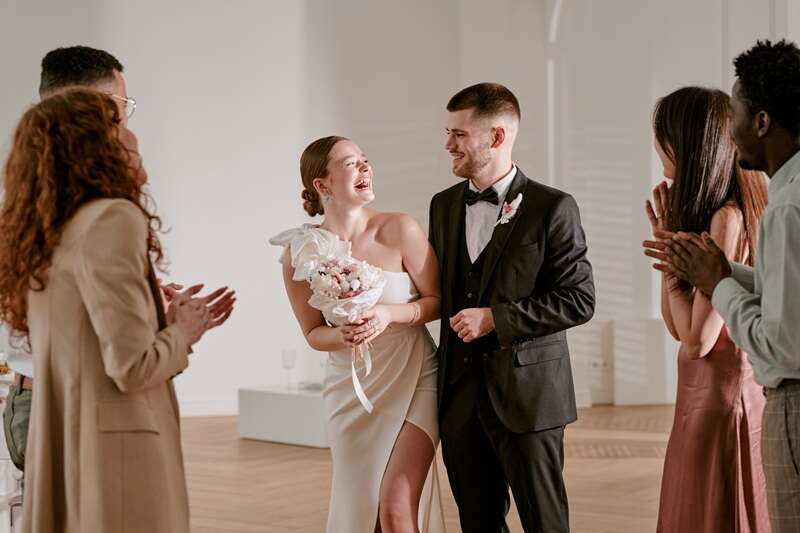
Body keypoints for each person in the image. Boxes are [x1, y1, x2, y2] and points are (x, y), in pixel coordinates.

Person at [0, 88, 233, 532]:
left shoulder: (49, 231)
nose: (130, 133)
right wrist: (185, 329)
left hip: (69, 439)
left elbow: (84, 343)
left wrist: (157, 317)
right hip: (116, 452)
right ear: (95, 146)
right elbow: (131, 367)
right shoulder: (113, 219)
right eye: (117, 126)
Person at [644, 40, 800, 533]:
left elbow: (703, 340)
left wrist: (699, 273)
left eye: (735, 114)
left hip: (735, 399)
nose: (729, 133)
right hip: (708, 397)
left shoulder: (751, 213)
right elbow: (681, 329)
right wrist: (680, 262)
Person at [429, 82, 594, 533]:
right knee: (478, 523)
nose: (448, 144)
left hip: (530, 397)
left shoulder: (553, 207)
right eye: (448, 132)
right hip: (459, 398)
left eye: (459, 134)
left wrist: (496, 319)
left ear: (496, 137)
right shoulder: (442, 205)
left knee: (545, 523)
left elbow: (579, 299)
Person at [270, 136, 445, 532]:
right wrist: (344, 336)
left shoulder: (400, 228)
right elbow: (314, 333)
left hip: (415, 375)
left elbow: (438, 299)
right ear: (322, 184)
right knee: (365, 508)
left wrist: (389, 315)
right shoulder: (300, 253)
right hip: (350, 389)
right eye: (352, 163)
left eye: (366, 160)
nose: (366, 168)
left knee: (396, 505)